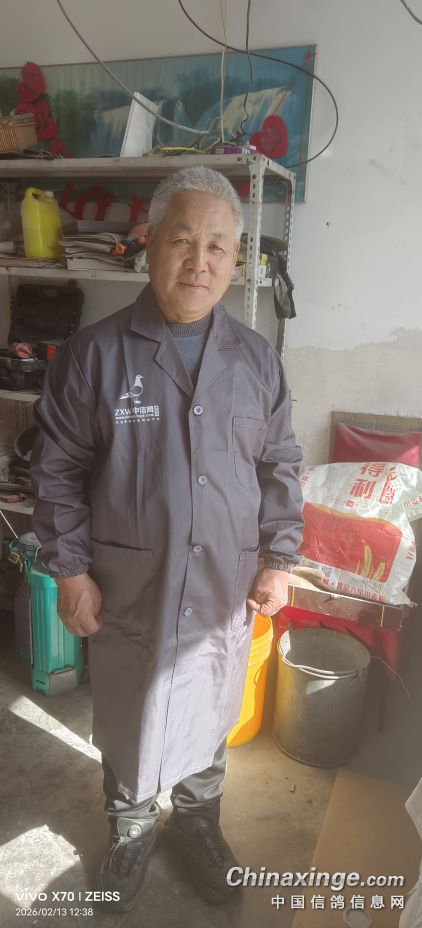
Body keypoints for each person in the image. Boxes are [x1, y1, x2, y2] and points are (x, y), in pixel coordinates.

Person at [31, 166, 304, 913]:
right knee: (130, 707)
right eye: (182, 240)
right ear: (149, 244)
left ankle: (198, 821)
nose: (199, 261)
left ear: (236, 258)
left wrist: (279, 557)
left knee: (211, 705)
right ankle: (128, 825)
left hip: (221, 583)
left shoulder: (257, 361)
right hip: (132, 584)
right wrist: (70, 571)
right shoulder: (94, 356)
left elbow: (280, 463)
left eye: (217, 246)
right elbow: (57, 471)